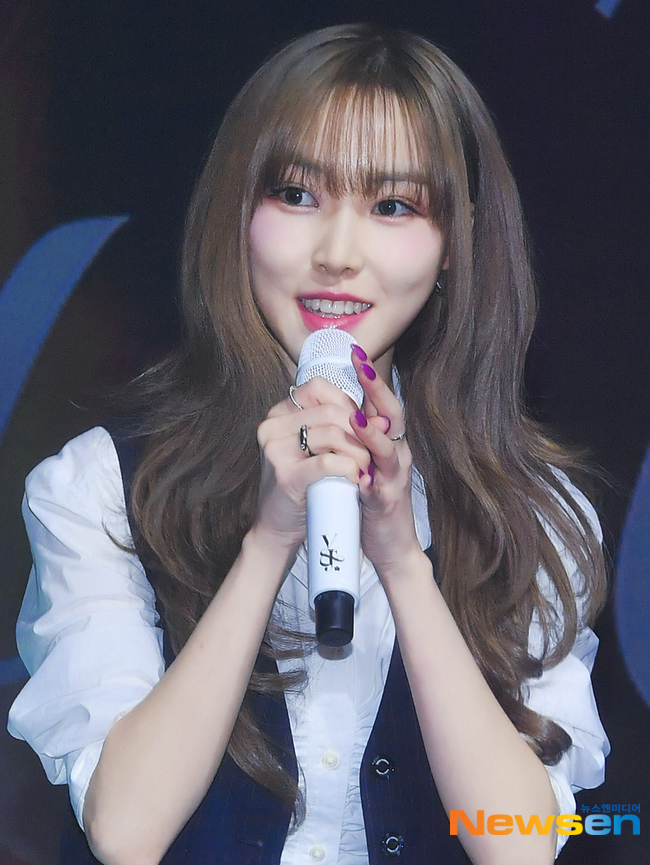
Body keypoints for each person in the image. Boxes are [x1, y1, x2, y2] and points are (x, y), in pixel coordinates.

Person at [8, 24, 609, 865]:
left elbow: (522, 845)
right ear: (238, 213)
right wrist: (267, 541)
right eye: (296, 194)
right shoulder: (100, 487)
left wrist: (402, 561)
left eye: (393, 206)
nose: (336, 254)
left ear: (454, 246)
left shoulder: (530, 514)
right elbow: (124, 830)